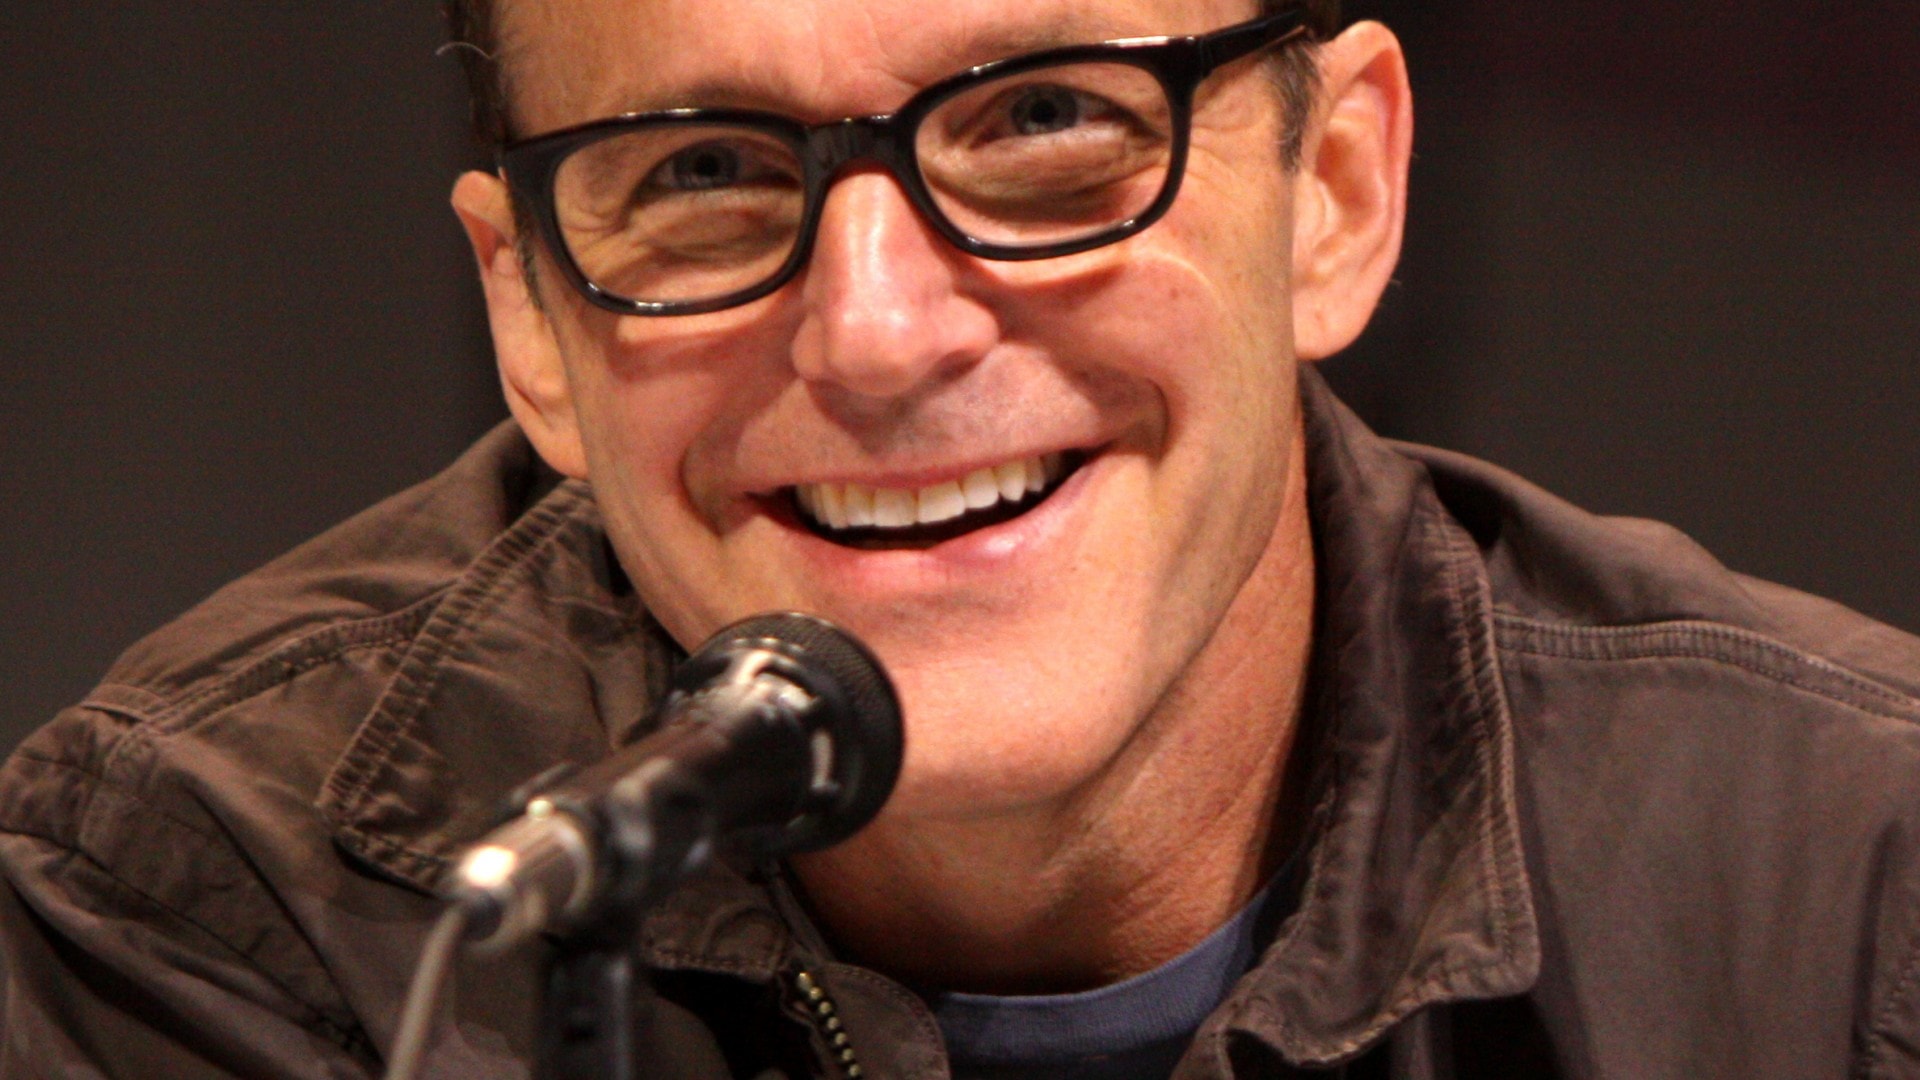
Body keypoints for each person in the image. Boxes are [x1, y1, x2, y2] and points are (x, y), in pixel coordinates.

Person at [4, 0, 1920, 1076]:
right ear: (530, 318)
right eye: (701, 172)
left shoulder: (1847, 904)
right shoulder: (213, 904)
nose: (876, 333)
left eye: (1047, 125)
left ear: (1333, 190)